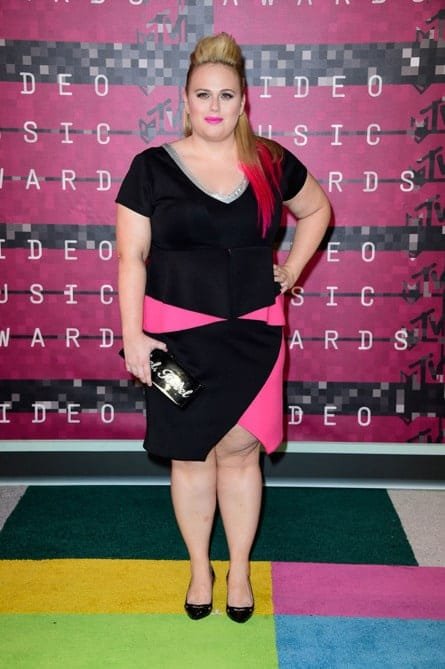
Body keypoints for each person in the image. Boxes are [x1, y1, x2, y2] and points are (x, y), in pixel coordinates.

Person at [115, 32, 331, 623]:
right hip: (175, 337)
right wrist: (133, 337)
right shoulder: (150, 168)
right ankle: (198, 568)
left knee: (239, 452)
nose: (214, 105)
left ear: (243, 102)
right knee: (190, 456)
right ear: (185, 101)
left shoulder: (270, 161)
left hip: (255, 333)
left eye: (226, 95)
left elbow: (317, 210)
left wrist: (292, 269)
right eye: (203, 94)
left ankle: (238, 569)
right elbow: (131, 258)